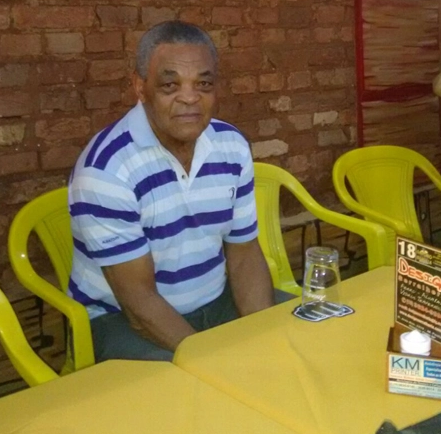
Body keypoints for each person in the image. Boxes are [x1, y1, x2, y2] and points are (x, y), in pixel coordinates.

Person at [68, 20, 282, 361]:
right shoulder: (107, 170)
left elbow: (243, 254)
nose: (189, 98)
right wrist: (210, 358)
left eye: (204, 84)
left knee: (297, 333)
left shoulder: (231, 146)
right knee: (197, 392)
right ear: (140, 87)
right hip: (120, 319)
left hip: (216, 300)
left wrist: (265, 334)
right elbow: (139, 303)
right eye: (170, 84)